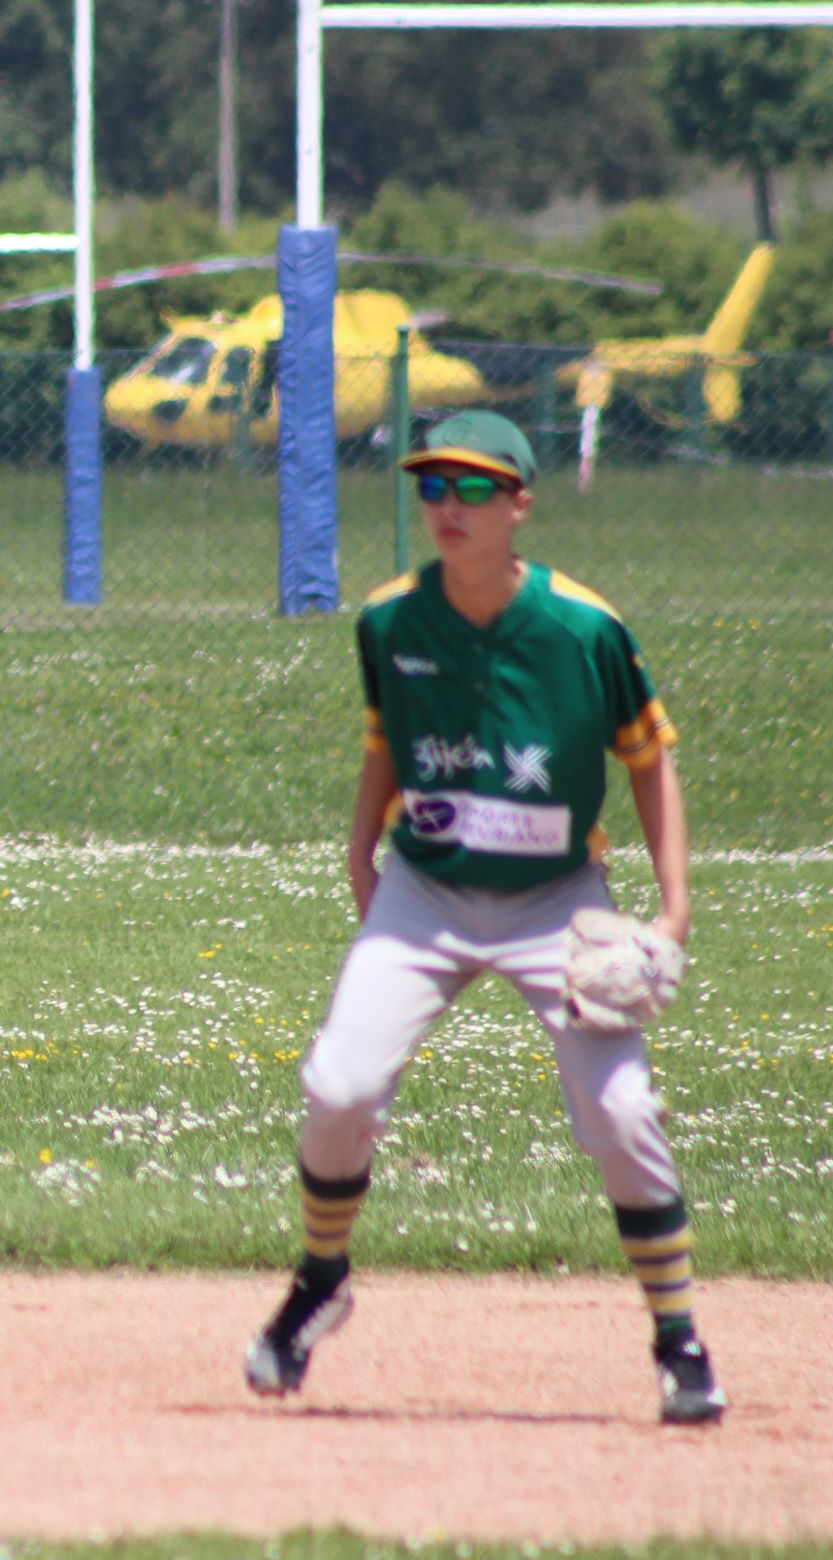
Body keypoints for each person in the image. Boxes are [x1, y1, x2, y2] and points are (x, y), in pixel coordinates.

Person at [244, 410, 724, 1426]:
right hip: (423, 892)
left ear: (519, 504)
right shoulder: (389, 621)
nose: (447, 507)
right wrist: (357, 850)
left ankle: (677, 1339)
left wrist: (673, 909)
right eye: (431, 487)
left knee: (621, 1113)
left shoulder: (583, 629)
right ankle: (320, 1281)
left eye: (472, 488)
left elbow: (649, 759)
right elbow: (386, 740)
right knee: (339, 1087)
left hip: (557, 902)